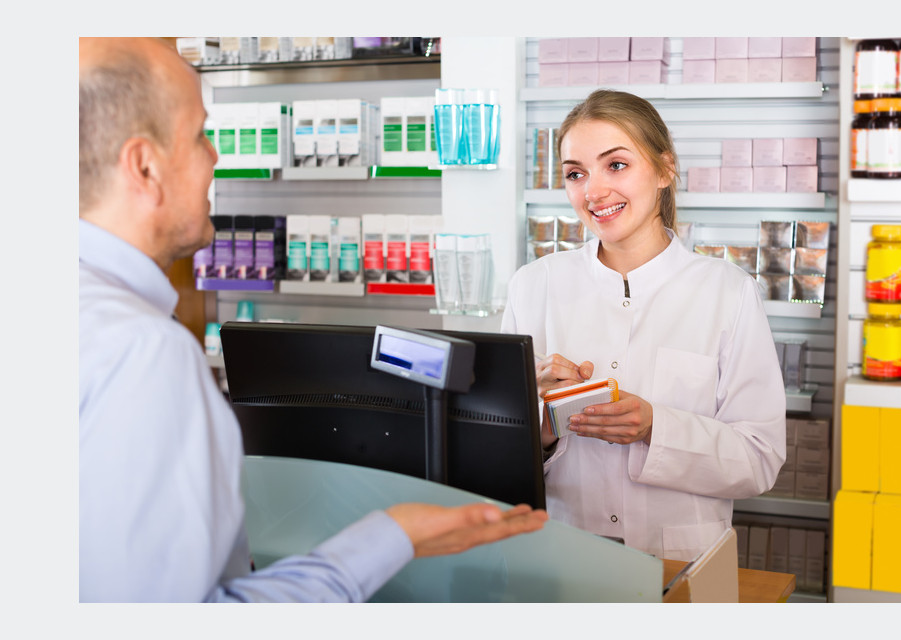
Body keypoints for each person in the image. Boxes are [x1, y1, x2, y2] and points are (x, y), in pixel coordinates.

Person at [78, 37, 547, 603]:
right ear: (145, 166)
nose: (216, 155)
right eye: (201, 133)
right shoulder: (141, 351)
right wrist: (389, 538)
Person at [500, 89, 785, 562]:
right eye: (576, 174)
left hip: (682, 561)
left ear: (664, 170)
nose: (593, 191)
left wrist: (656, 426)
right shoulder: (534, 286)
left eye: (616, 165)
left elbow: (759, 460)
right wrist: (540, 420)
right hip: (564, 554)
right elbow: (493, 450)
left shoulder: (728, 292)